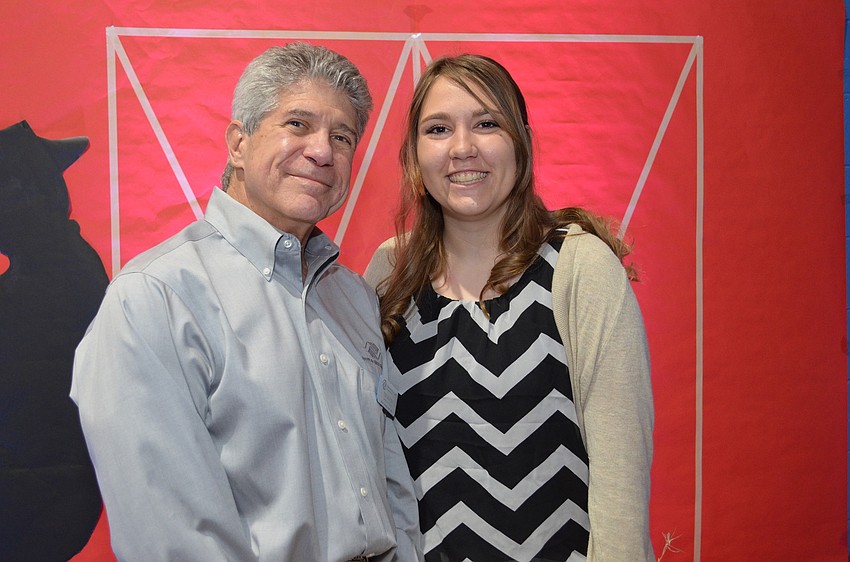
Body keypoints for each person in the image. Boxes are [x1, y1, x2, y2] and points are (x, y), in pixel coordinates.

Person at [72, 43, 422, 561]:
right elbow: (172, 538)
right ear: (238, 142)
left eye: (342, 136)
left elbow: (390, 477)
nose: (322, 151)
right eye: (298, 124)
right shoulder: (156, 297)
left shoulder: (353, 297)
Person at [365, 54, 654, 561]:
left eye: (486, 123)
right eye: (438, 128)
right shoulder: (390, 270)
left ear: (520, 140)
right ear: (414, 153)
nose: (462, 148)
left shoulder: (577, 267)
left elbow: (621, 483)